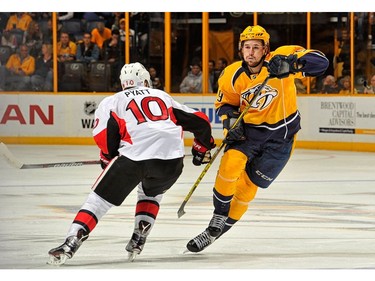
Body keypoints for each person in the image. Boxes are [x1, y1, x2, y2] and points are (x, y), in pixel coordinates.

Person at [47, 62, 215, 265]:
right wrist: (202, 148)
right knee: (151, 193)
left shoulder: (113, 101)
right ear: (145, 80)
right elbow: (201, 121)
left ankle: (72, 241)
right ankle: (138, 238)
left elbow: (105, 136)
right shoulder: (162, 96)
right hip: (172, 162)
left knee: (97, 201)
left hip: (134, 159)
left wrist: (107, 158)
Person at [186, 25, 329, 253]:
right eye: (247, 47)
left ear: (266, 49)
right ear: (240, 49)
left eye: (256, 47)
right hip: (249, 133)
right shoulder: (232, 74)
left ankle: (214, 233)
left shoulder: (281, 57)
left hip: (282, 137)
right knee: (230, 165)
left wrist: (292, 65)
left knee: (247, 189)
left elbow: (321, 63)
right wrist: (229, 123)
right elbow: (226, 104)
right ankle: (218, 216)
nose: (251, 52)